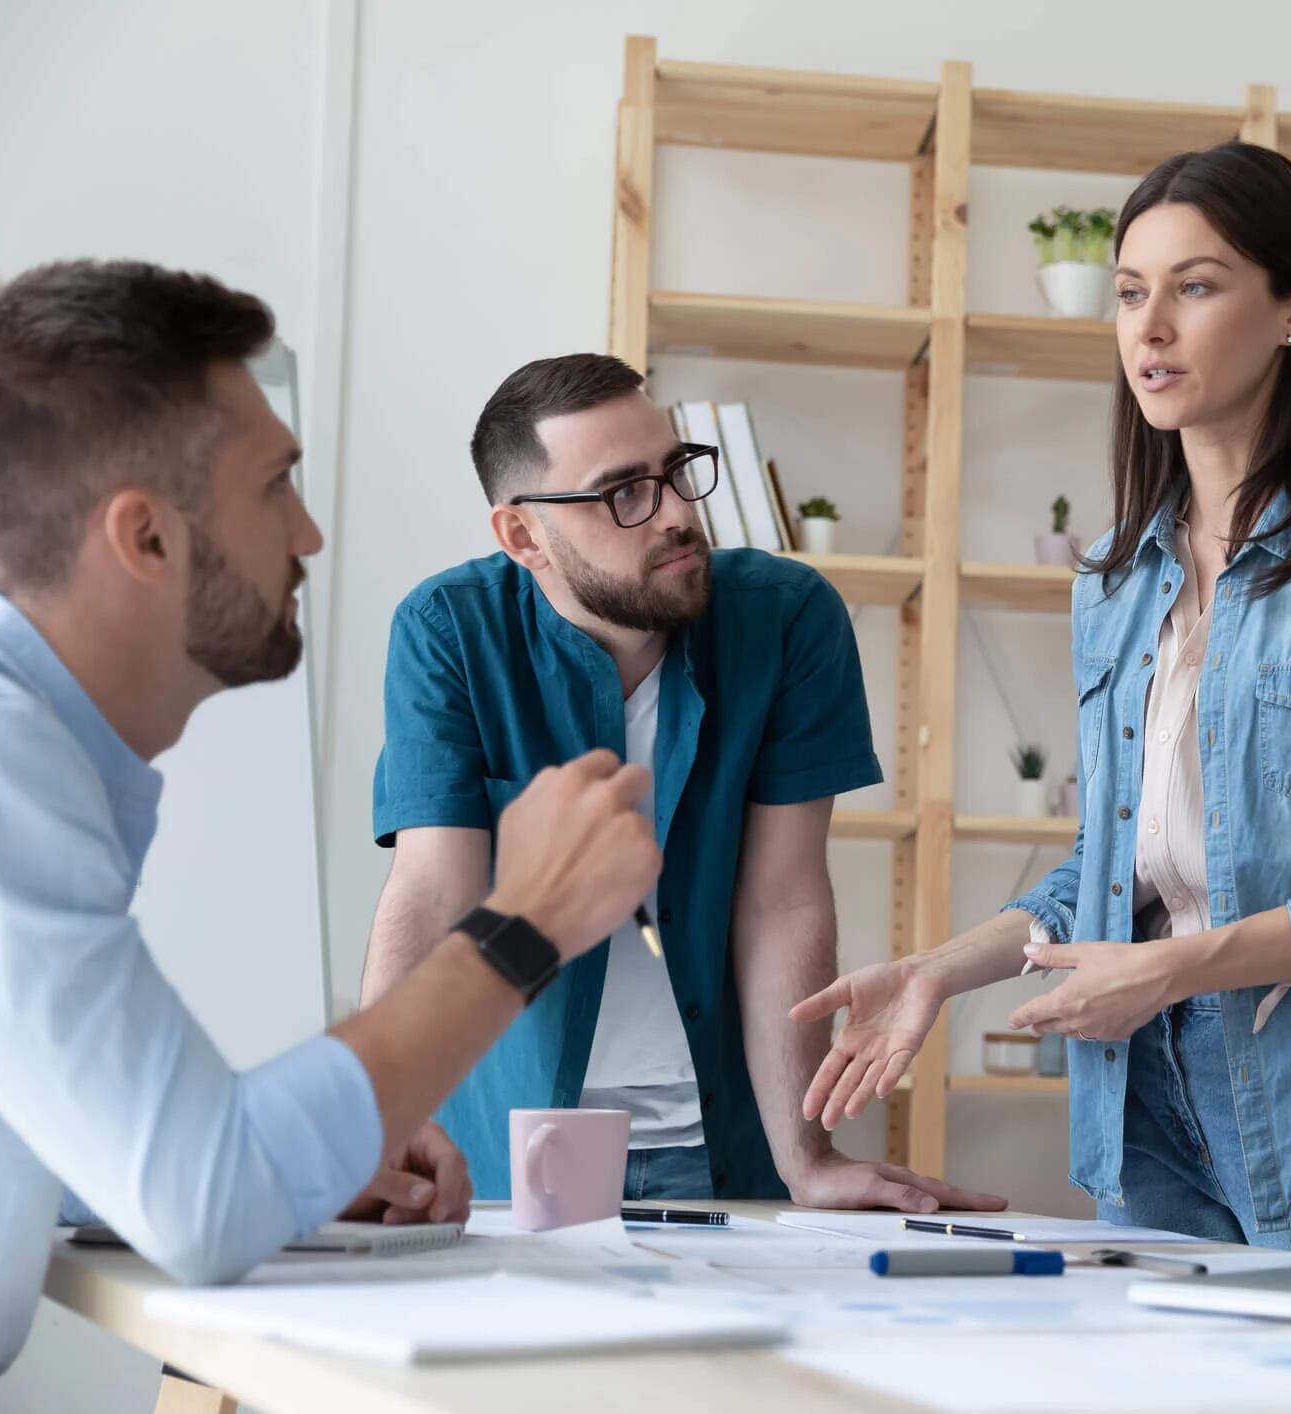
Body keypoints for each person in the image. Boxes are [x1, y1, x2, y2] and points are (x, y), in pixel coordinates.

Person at [0, 260, 664, 1413]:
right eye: (276, 486)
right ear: (145, 537)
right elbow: (199, 1198)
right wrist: (525, 921)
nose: (311, 532)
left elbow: (42, 1139)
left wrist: (309, 1162)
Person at [793, 143, 1291, 1255]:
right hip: (1145, 1107)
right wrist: (940, 970)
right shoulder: (1114, 574)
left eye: (1197, 285)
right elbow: (1117, 867)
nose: (1151, 326)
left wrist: (1174, 967)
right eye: (1132, 292)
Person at [361, 353, 1000, 1214]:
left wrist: (805, 1157)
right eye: (624, 491)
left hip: (719, 1143)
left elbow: (781, 898)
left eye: (676, 472)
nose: (674, 513)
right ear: (521, 537)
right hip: (505, 1149)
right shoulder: (448, 630)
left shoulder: (785, 618)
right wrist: (371, 1127)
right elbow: (433, 888)